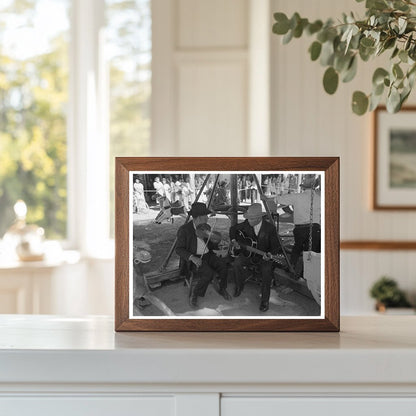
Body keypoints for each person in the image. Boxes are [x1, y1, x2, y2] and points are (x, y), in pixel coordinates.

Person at [176, 202, 231, 308]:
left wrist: (217, 244)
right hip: (193, 258)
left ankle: (222, 289)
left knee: (223, 266)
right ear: (197, 217)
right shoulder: (184, 230)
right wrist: (192, 258)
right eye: (205, 216)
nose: (207, 218)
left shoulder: (206, 227)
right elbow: (179, 249)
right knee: (208, 273)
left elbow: (210, 243)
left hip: (207, 255)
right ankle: (195, 294)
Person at [230, 203, 279, 312]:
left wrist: (270, 254)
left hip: (264, 257)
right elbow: (233, 229)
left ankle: (265, 300)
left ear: (259, 218)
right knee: (237, 263)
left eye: (251, 219)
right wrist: (234, 241)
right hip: (248, 255)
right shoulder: (246, 224)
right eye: (248, 218)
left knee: (267, 271)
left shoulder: (270, 228)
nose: (248, 221)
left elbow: (276, 247)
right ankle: (239, 286)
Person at [277, 175, 321, 276]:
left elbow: (277, 199)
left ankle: (291, 267)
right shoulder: (319, 198)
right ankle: (307, 273)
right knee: (311, 252)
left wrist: (265, 198)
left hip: (300, 229)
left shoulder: (296, 197)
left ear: (303, 187)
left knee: (297, 248)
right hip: (314, 228)